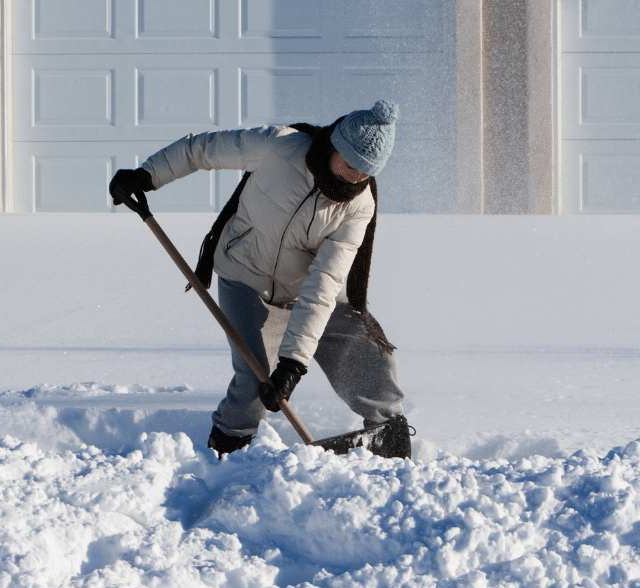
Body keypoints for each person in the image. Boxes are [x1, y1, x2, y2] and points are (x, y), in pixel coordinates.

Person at [109, 100, 412, 458]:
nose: (356, 178)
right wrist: (147, 176)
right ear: (335, 147)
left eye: (366, 173)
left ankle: (389, 438)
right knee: (255, 380)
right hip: (245, 278)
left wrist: (294, 363)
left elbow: (325, 282)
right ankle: (228, 451)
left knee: (367, 352)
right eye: (351, 165)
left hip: (305, 291)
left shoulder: (358, 206)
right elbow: (203, 149)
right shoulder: (279, 146)